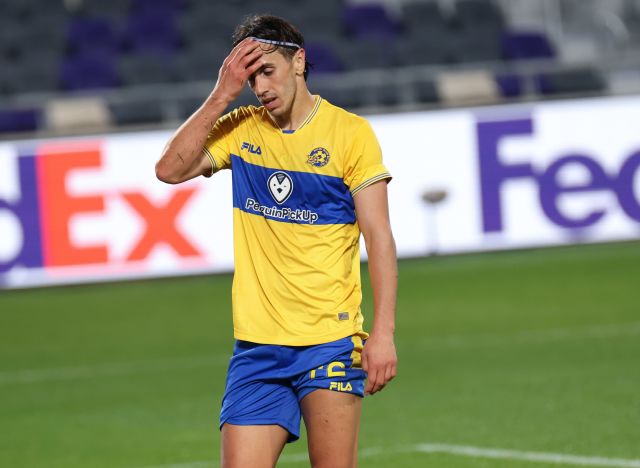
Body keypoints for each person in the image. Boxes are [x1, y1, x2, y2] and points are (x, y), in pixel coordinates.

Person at [155, 14, 397, 468]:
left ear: (299, 61)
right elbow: (169, 170)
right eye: (250, 79)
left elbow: (379, 238)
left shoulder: (350, 134)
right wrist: (221, 95)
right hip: (256, 348)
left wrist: (382, 334)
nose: (260, 87)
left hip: (329, 342)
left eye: (267, 71)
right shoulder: (242, 127)